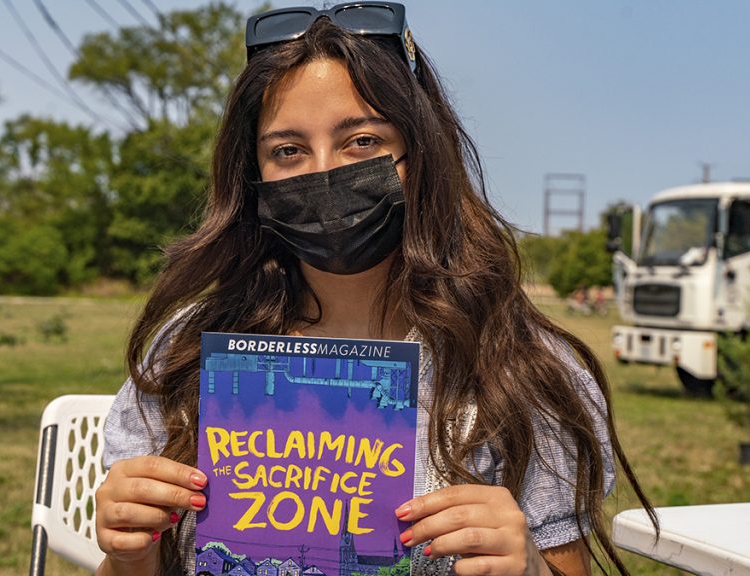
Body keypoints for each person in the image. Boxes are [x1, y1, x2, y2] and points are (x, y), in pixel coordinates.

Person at [93, 3, 655, 575]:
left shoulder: (522, 370)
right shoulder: (188, 352)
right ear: (252, 174)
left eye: (361, 141)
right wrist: (127, 552)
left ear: (424, 151)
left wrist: (529, 567)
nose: (323, 172)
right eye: (287, 150)